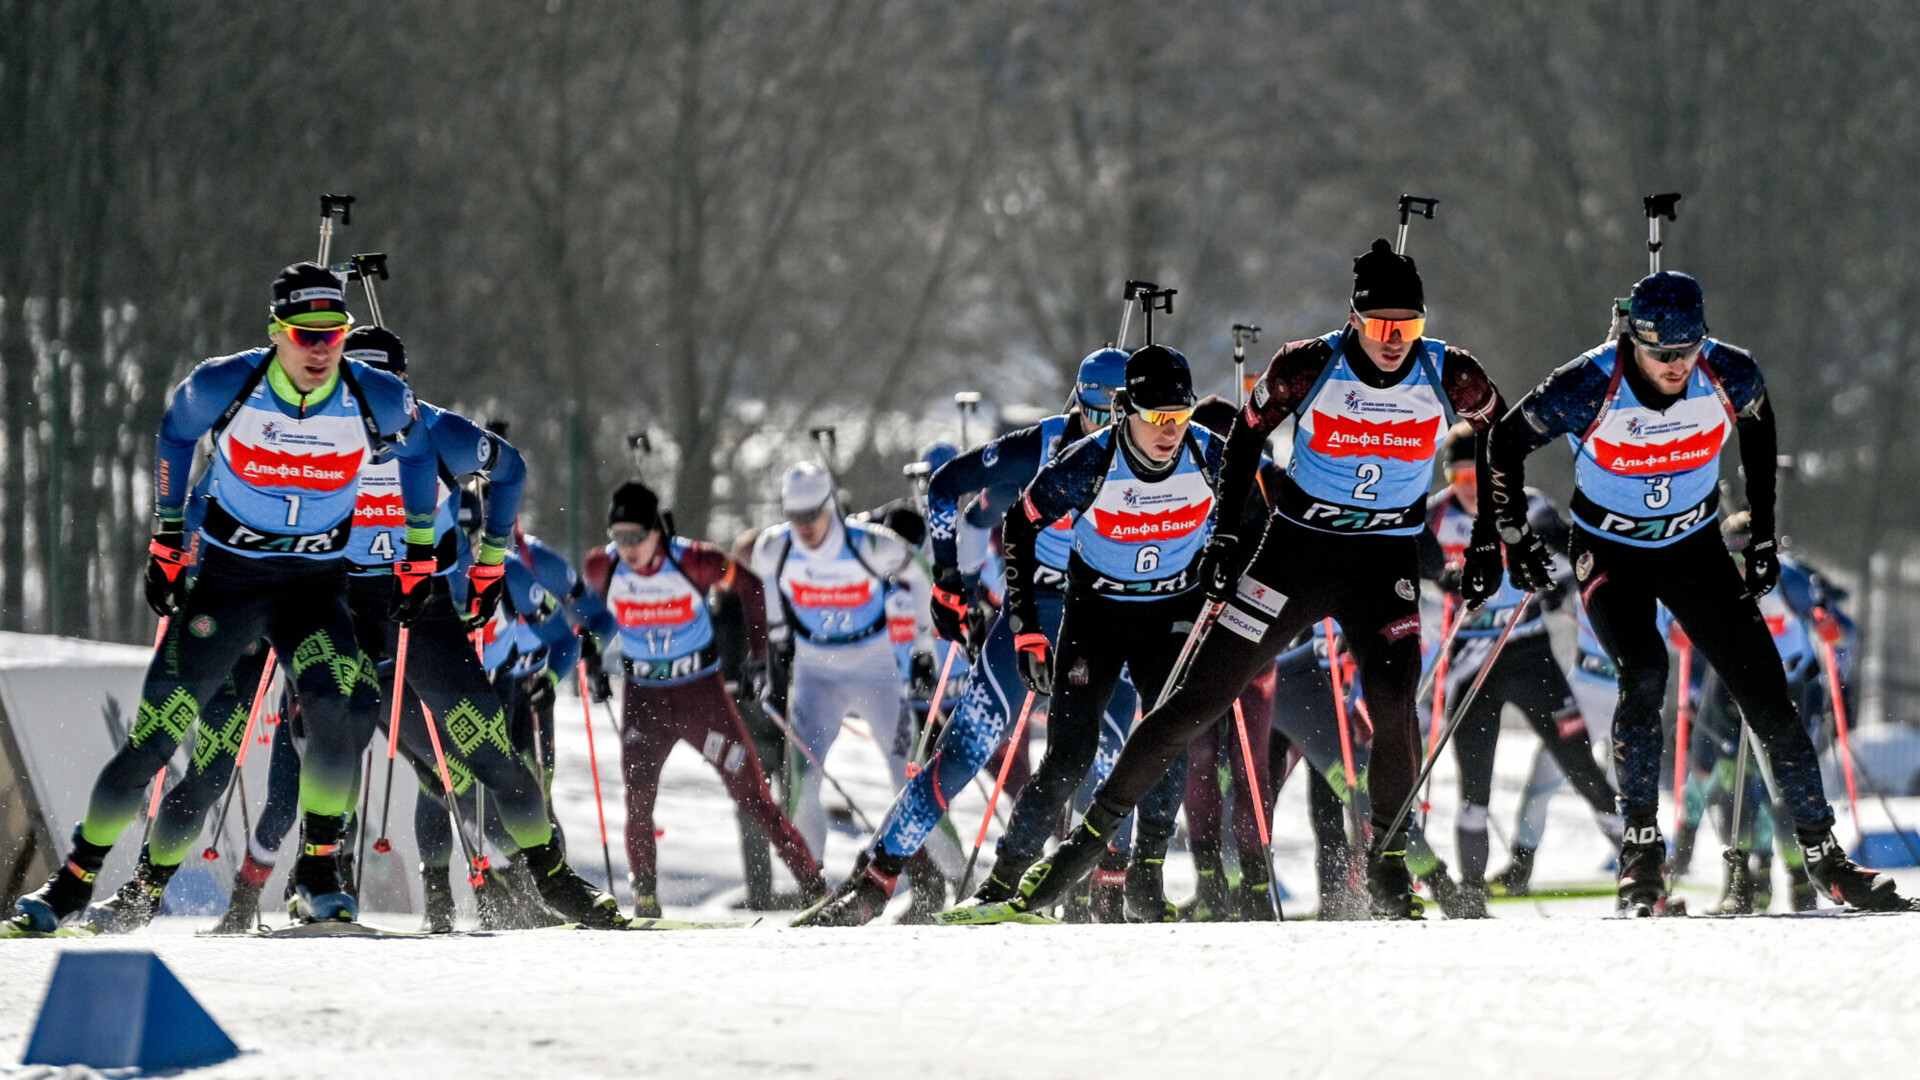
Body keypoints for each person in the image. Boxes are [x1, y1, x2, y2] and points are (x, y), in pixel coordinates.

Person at [987, 238, 1508, 921]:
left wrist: (1492, 536)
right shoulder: (1308, 364)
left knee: (1392, 703)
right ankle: (1077, 855)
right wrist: (1230, 534)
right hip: (1295, 555)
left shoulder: (1450, 372)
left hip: (1383, 563)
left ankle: (1386, 867)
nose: (1394, 341)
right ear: (1353, 319)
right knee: (1196, 701)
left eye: (1407, 327)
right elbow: (1245, 436)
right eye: (1381, 326)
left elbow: (1502, 433)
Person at [11, 264, 440, 931]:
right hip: (231, 588)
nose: (320, 348)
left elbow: (419, 455)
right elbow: (175, 435)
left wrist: (418, 553)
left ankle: (319, 868)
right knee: (172, 746)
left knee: (340, 707)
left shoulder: (376, 397)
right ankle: (80, 884)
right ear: (277, 332)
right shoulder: (224, 383)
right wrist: (167, 539)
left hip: (312, 588)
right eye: (305, 334)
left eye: (334, 333)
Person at [1484, 269, 1909, 915]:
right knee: (1646, 673)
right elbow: (1503, 443)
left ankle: (1826, 858)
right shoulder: (1588, 382)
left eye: (1688, 350)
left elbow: (1759, 431)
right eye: (1662, 354)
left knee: (1768, 692)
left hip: (1693, 549)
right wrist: (1513, 537)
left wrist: (1763, 535)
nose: (1677, 365)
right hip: (1612, 552)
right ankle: (1642, 854)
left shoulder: (1728, 372)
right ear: (1636, 341)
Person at [795, 347, 1145, 927]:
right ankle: (873, 882)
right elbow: (944, 486)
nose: (1104, 431)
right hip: (1032, 614)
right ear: (1076, 403)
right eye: (1094, 414)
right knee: (959, 754)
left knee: (1112, 757)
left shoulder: (1156, 449)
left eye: (1118, 417)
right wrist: (948, 580)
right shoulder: (1041, 445)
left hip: (1106, 618)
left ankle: (1106, 897)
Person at [946, 343, 1239, 922]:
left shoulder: (1209, 455)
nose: (1169, 432)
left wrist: (1223, 561)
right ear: (1125, 409)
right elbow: (1019, 527)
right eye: (1156, 418)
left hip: (1170, 616)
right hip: (1096, 616)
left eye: (1179, 417)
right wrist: (1028, 628)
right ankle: (1003, 883)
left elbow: (1256, 513)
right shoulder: (1089, 461)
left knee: (1166, 740)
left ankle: (1146, 881)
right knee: (1069, 758)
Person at [581, 480, 827, 917]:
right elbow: (591, 618)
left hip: (700, 695)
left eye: (637, 537)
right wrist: (593, 659)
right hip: (644, 699)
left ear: (657, 530)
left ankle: (814, 887)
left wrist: (760, 657)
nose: (629, 548)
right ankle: (646, 900)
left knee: (752, 795)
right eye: (619, 537)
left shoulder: (694, 560)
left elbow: (750, 589)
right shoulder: (604, 567)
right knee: (638, 798)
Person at [1420, 421, 1623, 915]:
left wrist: (1559, 589)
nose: (1470, 487)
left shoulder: (1529, 505)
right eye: (1460, 477)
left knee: (1578, 763)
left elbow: (1579, 556)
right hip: (1470, 662)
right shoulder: (1433, 515)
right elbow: (1409, 564)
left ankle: (1639, 869)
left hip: (1529, 652)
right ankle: (1470, 894)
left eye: (1479, 476)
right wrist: (1444, 579)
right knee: (1475, 786)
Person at [752, 461, 931, 861]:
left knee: (910, 777)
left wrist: (923, 648)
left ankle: (955, 881)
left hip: (876, 671)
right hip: (816, 674)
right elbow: (765, 581)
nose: (805, 526)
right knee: (802, 780)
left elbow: (922, 573)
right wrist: (778, 637)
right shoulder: (773, 547)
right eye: (795, 516)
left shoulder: (869, 543)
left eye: (812, 514)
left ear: (829, 504)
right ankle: (811, 884)